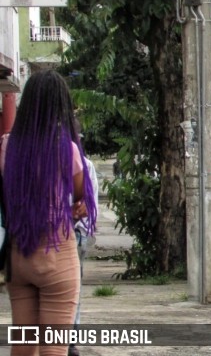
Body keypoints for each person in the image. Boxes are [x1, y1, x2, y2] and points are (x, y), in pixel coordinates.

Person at [0, 69, 97, 356]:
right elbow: (80, 201)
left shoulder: (7, 146)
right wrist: (75, 208)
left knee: (23, 346)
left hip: (18, 258)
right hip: (57, 255)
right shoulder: (67, 149)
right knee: (53, 349)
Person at [68, 120, 100, 356]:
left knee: (72, 290)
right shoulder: (83, 163)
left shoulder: (84, 164)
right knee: (72, 291)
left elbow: (89, 205)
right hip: (73, 233)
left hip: (74, 234)